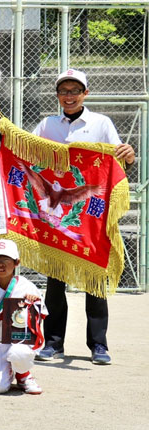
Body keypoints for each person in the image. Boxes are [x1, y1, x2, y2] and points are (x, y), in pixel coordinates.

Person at [33, 69, 135, 365]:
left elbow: (118, 159)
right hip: (57, 215)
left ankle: (98, 345)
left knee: (95, 279)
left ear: (85, 94)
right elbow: (28, 155)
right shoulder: (47, 125)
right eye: (63, 90)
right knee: (55, 281)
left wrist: (128, 155)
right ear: (57, 95)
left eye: (74, 90)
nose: (69, 95)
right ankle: (52, 343)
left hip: (91, 214)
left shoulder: (101, 124)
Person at [0, 239, 45, 395]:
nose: (1, 264)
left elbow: (37, 323)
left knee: (18, 353)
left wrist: (33, 304)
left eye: (6, 259)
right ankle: (8, 371)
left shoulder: (28, 287)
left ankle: (23, 376)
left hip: (21, 339)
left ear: (16, 262)